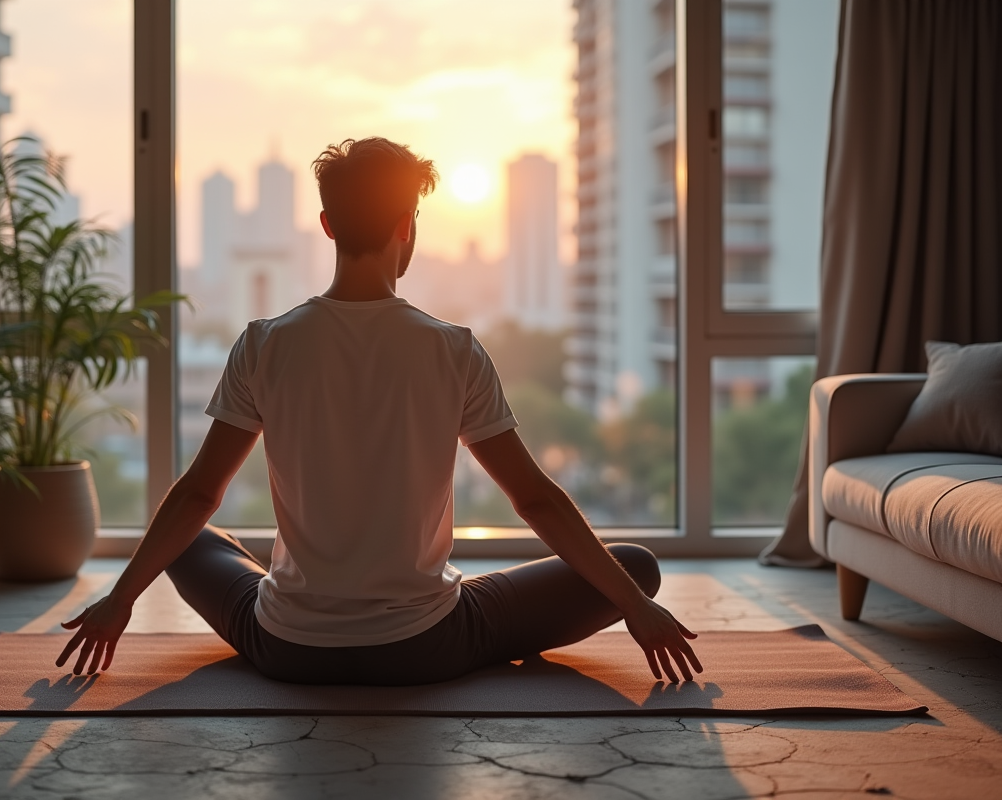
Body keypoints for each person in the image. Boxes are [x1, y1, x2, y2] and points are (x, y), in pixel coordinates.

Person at [57, 137, 702, 686]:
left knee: (192, 537)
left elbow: (200, 492)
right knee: (636, 568)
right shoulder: (454, 349)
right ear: (407, 225)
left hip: (288, 649)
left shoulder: (263, 344)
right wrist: (635, 608)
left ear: (327, 224)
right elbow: (534, 499)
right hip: (427, 646)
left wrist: (120, 599)